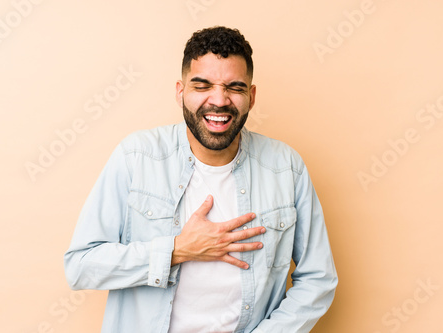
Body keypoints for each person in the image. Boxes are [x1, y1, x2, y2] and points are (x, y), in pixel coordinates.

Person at [64, 26, 337, 333]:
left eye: (234, 87)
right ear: (181, 92)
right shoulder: (136, 157)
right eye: (202, 85)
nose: (219, 101)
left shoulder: (286, 167)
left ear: (252, 95)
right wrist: (179, 249)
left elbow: (318, 279)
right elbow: (81, 266)